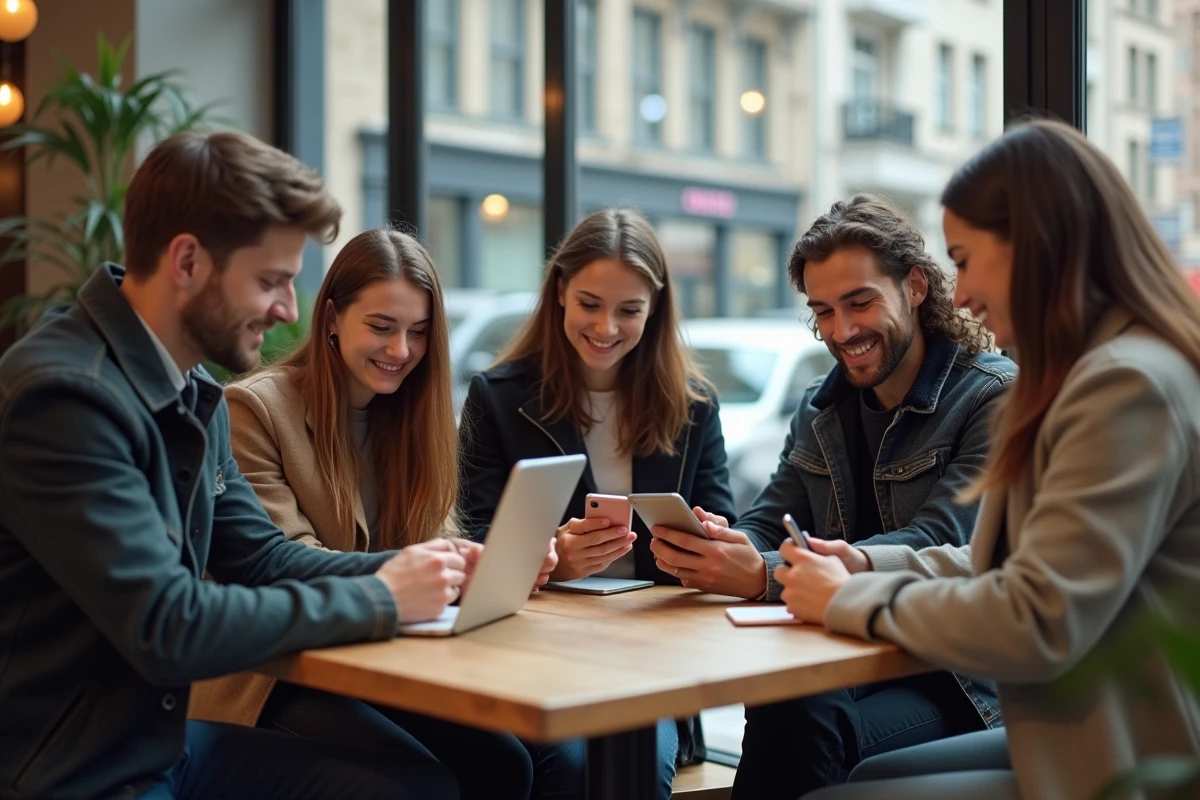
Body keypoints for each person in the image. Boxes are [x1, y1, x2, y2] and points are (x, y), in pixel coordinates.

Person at [0, 131, 470, 800]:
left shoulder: (192, 392)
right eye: (271, 281)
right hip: (72, 771)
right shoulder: (63, 397)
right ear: (188, 260)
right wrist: (381, 597)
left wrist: (426, 572)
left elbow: (266, 560)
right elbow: (169, 625)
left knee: (422, 786)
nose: (287, 309)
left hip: (159, 744)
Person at [785, 118, 1200, 800]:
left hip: (1138, 757)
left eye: (967, 258)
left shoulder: (1126, 384)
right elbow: (1005, 559)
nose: (964, 291)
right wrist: (861, 564)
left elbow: (1036, 617)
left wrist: (851, 596)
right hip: (1086, 722)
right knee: (868, 776)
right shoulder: (1096, 371)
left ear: (1037, 246)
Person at [648, 194, 1016, 799]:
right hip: (844, 655)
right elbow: (770, 519)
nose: (841, 332)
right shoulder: (823, 406)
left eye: (859, 303)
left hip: (953, 678)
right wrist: (722, 546)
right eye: (823, 311)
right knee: (788, 699)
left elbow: (941, 542)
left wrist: (759, 574)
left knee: (795, 719)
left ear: (916, 287)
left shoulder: (989, 396)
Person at [188, 228, 554, 799]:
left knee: (503, 763)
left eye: (418, 333)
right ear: (331, 317)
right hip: (274, 674)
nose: (401, 351)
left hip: (381, 661)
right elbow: (282, 561)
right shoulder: (255, 409)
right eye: (382, 327)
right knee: (429, 778)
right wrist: (425, 568)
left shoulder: (411, 418)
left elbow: (437, 539)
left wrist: (495, 564)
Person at [457, 207, 736, 800]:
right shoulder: (499, 396)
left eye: (629, 310)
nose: (606, 326)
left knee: (625, 768)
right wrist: (551, 556)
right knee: (572, 767)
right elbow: (470, 539)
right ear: (559, 291)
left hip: (648, 658)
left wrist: (707, 541)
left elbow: (724, 530)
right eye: (589, 304)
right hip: (535, 650)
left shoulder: (695, 407)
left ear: (655, 308)